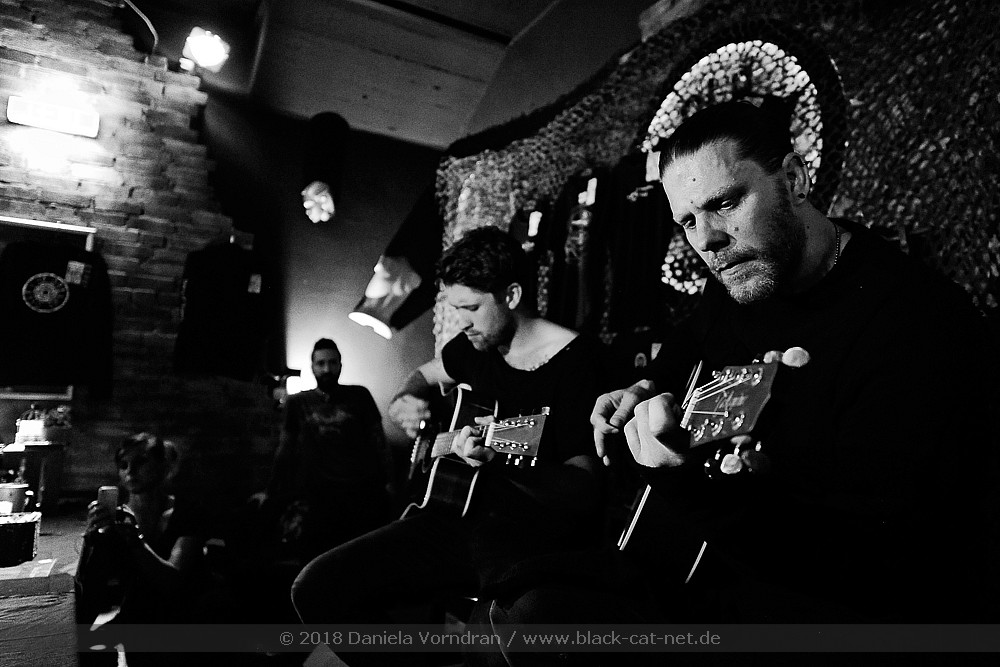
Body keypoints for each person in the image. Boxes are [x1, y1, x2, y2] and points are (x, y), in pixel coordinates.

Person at [580, 100, 995, 625]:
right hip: (711, 574)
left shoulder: (916, 324)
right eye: (687, 221)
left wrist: (690, 485)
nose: (705, 240)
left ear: (794, 180)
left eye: (725, 203)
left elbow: (878, 566)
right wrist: (643, 390)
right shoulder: (742, 276)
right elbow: (690, 343)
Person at [290, 226, 608, 665]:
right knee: (315, 588)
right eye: (455, 309)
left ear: (512, 295)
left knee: (493, 643)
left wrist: (499, 462)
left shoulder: (576, 363)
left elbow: (585, 489)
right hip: (452, 519)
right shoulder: (476, 345)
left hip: (527, 541)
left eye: (471, 308)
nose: (462, 322)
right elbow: (424, 374)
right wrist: (406, 400)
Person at [251, 337, 393, 562]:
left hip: (360, 490)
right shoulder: (298, 402)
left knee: (361, 558)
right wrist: (271, 491)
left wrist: (390, 481)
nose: (327, 369)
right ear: (312, 367)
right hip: (318, 493)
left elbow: (378, 440)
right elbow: (285, 448)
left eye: (332, 362)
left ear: (340, 365)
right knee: (318, 558)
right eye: (321, 363)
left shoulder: (359, 395)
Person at [76, 433, 205, 665]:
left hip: (183, 617)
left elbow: (173, 582)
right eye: (123, 465)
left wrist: (135, 541)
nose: (130, 471)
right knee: (82, 648)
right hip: (136, 615)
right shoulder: (117, 519)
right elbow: (91, 592)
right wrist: (91, 540)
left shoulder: (186, 512)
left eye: (141, 462)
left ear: (163, 466)